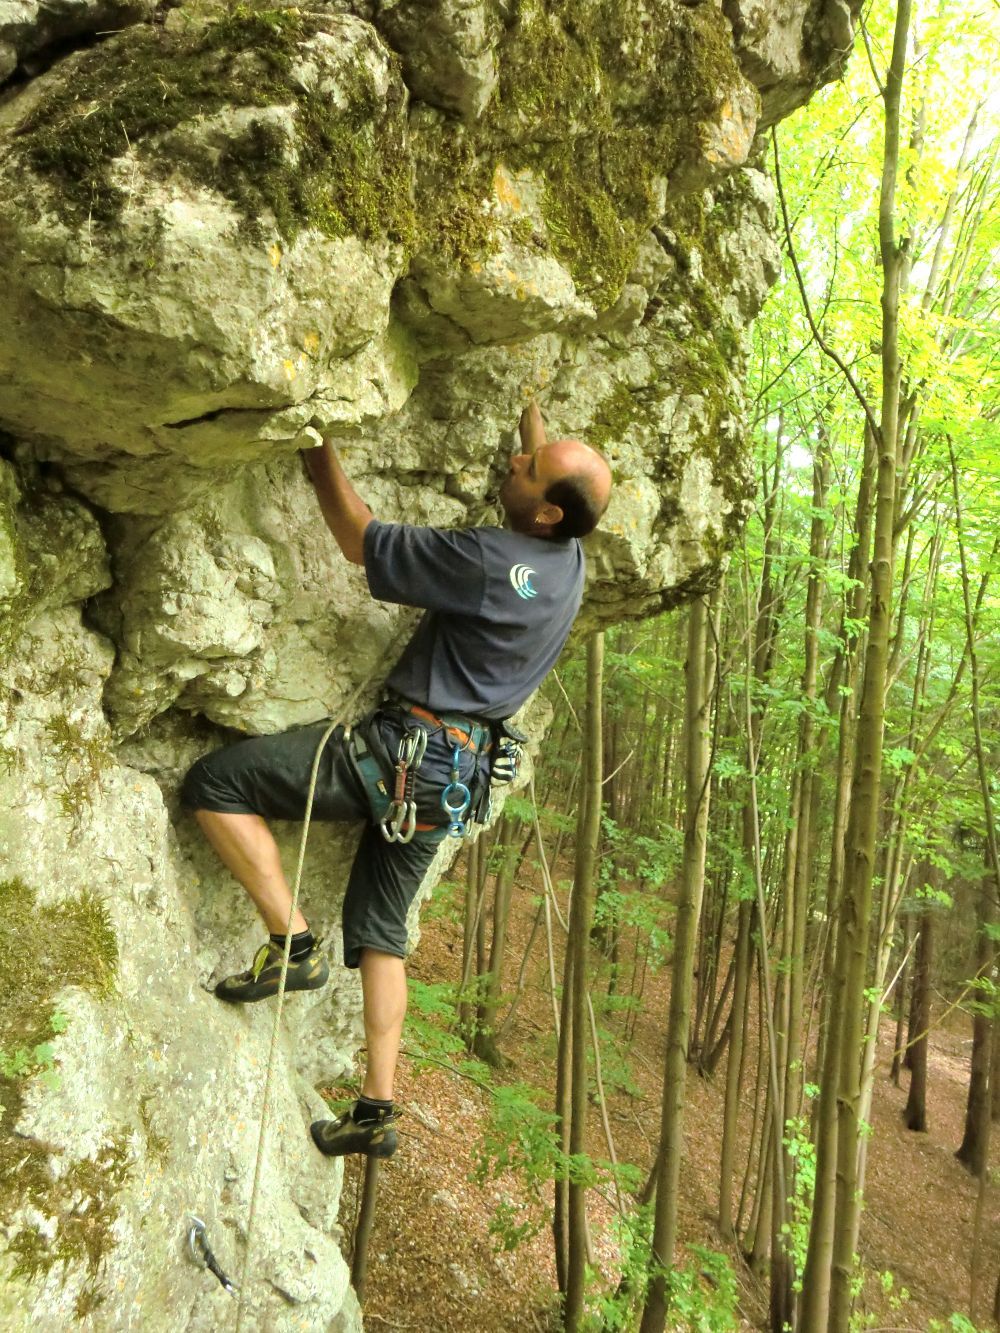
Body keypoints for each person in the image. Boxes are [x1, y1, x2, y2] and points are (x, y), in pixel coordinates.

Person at [181, 402, 612, 1159]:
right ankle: (376, 1108)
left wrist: (320, 450)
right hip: (457, 779)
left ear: (546, 509)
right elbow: (549, 478)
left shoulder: (485, 562)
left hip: (403, 755)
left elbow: (359, 539)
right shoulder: (569, 563)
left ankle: (292, 941)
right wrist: (531, 423)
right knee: (383, 934)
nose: (517, 459)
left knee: (216, 784)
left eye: (529, 465)